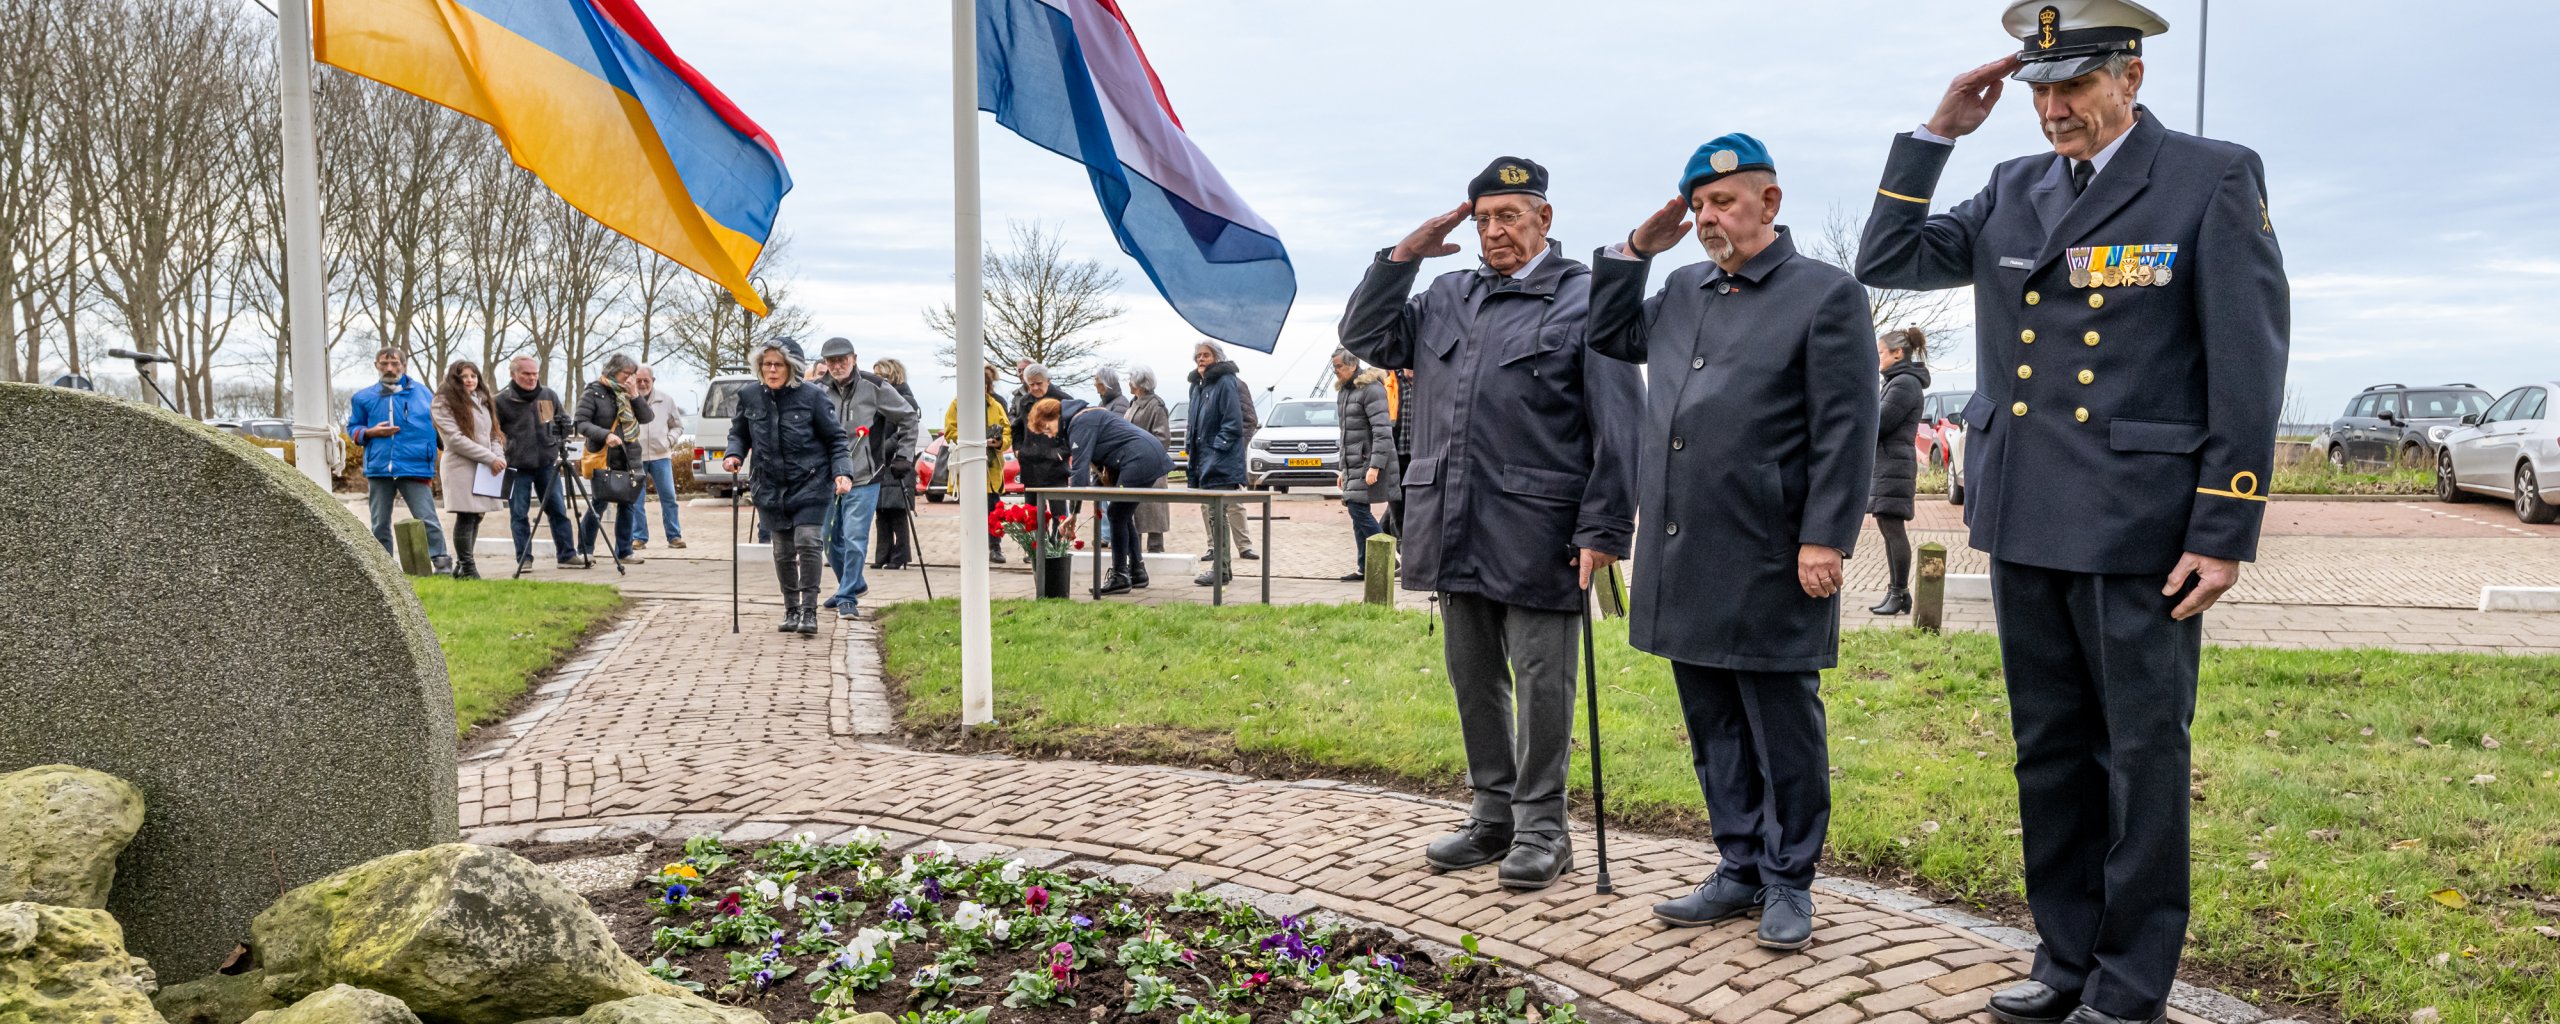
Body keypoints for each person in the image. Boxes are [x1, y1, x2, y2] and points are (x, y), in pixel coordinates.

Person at [1855, 3, 2289, 1020]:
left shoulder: (2208, 176)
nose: (2053, 108)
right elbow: (1887, 258)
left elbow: (2247, 358)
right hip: (2023, 511)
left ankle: (2130, 981)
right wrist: (1935, 136)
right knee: (2047, 749)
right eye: (2040, 90)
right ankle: (2064, 956)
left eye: (2075, 86)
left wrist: (2221, 529)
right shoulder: (2011, 185)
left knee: (2139, 757)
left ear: (2128, 78)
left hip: (2138, 522)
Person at [1588, 134, 1879, 950]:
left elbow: (1846, 431)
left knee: (1783, 725)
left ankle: (1790, 879)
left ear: (1770, 203)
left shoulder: (1825, 295)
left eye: (1723, 202)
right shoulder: (1682, 286)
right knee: (1712, 721)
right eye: (1699, 206)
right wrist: (1638, 249)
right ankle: (1738, 863)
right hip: (1684, 548)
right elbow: (1609, 333)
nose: (1710, 217)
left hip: (1772, 550)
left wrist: (1825, 537)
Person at [1339, 156, 1642, 891]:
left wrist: (1604, 528)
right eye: (1482, 220)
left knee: (1542, 682)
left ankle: (1544, 828)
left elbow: (1620, 424)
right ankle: (1492, 816)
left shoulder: (1586, 296)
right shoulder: (1446, 294)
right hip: (1451, 519)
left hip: (1541, 526)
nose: (1493, 231)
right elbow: (1366, 334)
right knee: (1472, 677)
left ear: (1545, 219)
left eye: (1509, 216)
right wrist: (1404, 256)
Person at [723, 339, 855, 635]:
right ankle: (791, 608)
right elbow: (739, 434)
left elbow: (836, 440)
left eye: (777, 364)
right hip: (770, 485)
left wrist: (842, 473)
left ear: (791, 367)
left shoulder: (813, 397)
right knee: (782, 550)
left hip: (810, 482)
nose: (771, 369)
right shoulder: (749, 395)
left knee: (808, 541)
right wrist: (733, 454)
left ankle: (809, 610)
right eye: (766, 364)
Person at [814, 337, 918, 620]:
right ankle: (854, 583)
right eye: (831, 361)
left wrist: (904, 456)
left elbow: (909, 418)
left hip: (865, 475)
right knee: (826, 537)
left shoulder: (875, 386)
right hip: (827, 476)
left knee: (854, 537)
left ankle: (847, 596)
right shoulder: (816, 390)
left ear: (854, 358)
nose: (837, 366)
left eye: (842, 360)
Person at [1036, 397, 1173, 595]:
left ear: (1055, 417)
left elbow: (1079, 471)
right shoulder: (1086, 416)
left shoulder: (1079, 422)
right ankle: (1137, 571)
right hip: (1147, 455)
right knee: (1122, 514)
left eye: (1047, 429)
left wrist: (1074, 514)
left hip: (1139, 458)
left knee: (1117, 514)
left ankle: (1120, 576)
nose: (1049, 435)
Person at [346, 347, 449, 572]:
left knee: (426, 517)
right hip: (379, 468)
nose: (390, 368)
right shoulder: (363, 397)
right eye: (384, 364)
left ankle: (441, 563)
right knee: (380, 522)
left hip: (415, 467)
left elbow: (439, 428)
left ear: (404, 365)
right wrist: (370, 432)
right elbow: (353, 427)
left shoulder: (424, 394)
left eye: (395, 364)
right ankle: (385, 570)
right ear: (376, 366)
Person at [492, 355, 581, 571]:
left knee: (558, 510)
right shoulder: (500, 401)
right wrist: (507, 448)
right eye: (526, 374)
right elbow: (495, 431)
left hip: (546, 464)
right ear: (513, 375)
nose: (532, 378)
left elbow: (562, 420)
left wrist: (558, 437)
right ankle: (525, 558)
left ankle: (567, 555)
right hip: (517, 466)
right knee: (519, 514)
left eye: (535, 374)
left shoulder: (548, 394)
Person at [1868, 327, 1933, 615]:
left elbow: (1880, 423)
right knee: (1887, 526)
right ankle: (1896, 592)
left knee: (1893, 529)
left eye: (1881, 352)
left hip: (1894, 464)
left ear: (1897, 353)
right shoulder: (1897, 382)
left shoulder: (1904, 383)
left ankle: (1900, 593)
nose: (1878, 358)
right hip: (1889, 464)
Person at [572, 353, 654, 566]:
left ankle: (625, 550)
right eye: (626, 374)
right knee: (599, 503)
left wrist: (635, 395)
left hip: (629, 456)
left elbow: (646, 418)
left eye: (632, 375)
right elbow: (581, 422)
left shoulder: (629, 393)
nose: (630, 378)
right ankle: (585, 549)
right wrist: (604, 435)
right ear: (612, 371)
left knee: (628, 504)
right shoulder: (594, 392)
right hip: (604, 455)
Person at [430, 359, 508, 580]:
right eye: (464, 377)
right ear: (455, 379)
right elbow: (454, 439)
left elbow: (493, 433)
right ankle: (468, 567)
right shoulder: (442, 403)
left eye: (473, 376)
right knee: (466, 515)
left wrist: (498, 457)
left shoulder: (483, 401)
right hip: (461, 467)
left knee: (477, 516)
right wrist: (490, 457)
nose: (469, 380)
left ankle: (462, 568)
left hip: (485, 465)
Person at [1184, 341, 1248, 587]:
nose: (1201, 359)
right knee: (1214, 516)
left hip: (1219, 461)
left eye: (1206, 355)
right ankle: (1223, 568)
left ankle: (1220, 569)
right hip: (1202, 460)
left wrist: (1215, 449)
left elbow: (1232, 422)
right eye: (1198, 355)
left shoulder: (1225, 382)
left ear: (1216, 358)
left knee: (1217, 515)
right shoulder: (1197, 387)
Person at [1330, 347, 1397, 582]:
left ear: (1352, 365)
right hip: (1352, 464)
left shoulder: (1371, 389)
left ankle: (1390, 557)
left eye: (1338, 366)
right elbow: (1345, 435)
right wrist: (1342, 469)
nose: (1335, 371)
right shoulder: (1344, 393)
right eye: (1333, 366)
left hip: (1367, 462)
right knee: (1357, 510)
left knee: (1355, 507)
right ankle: (1364, 567)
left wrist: (1375, 466)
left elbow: (1382, 430)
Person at [946, 363, 1014, 564]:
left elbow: (1007, 431)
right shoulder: (957, 405)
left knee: (994, 512)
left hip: (991, 469)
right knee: (971, 513)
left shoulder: (996, 405)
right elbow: (950, 432)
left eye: (984, 385)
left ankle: (995, 547)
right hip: (968, 468)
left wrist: (999, 442)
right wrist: (975, 440)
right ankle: (972, 548)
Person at [1012, 362, 1079, 526]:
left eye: (1038, 384)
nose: (1035, 388)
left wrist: (1062, 452)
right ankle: (1035, 550)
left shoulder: (1064, 400)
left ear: (1047, 381)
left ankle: (1056, 550)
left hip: (1055, 466)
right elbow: (1017, 427)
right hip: (1030, 464)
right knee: (1032, 515)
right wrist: (1019, 449)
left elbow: (1074, 431)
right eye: (1031, 384)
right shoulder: (1024, 401)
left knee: (1058, 514)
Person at [628, 364, 686, 552]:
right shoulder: (628, 400)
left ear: (653, 380)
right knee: (637, 500)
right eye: (639, 380)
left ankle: (674, 536)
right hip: (636, 456)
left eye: (646, 380)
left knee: (668, 496)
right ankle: (639, 537)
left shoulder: (666, 400)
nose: (643, 383)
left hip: (661, 456)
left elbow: (677, 426)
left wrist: (669, 441)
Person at [871, 358, 921, 571]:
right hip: (881, 463)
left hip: (897, 461)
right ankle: (882, 555)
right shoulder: (878, 398)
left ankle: (900, 556)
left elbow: (904, 431)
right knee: (881, 513)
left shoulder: (905, 399)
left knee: (898, 514)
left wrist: (881, 448)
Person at [1124, 366, 1174, 553]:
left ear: (1139, 383)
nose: (1128, 383)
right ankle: (1133, 556)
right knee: (1132, 514)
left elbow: (1163, 439)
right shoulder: (1133, 403)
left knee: (1153, 516)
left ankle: (1156, 553)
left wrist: (1145, 455)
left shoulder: (1156, 405)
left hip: (1151, 469)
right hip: (1132, 467)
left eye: (1131, 379)